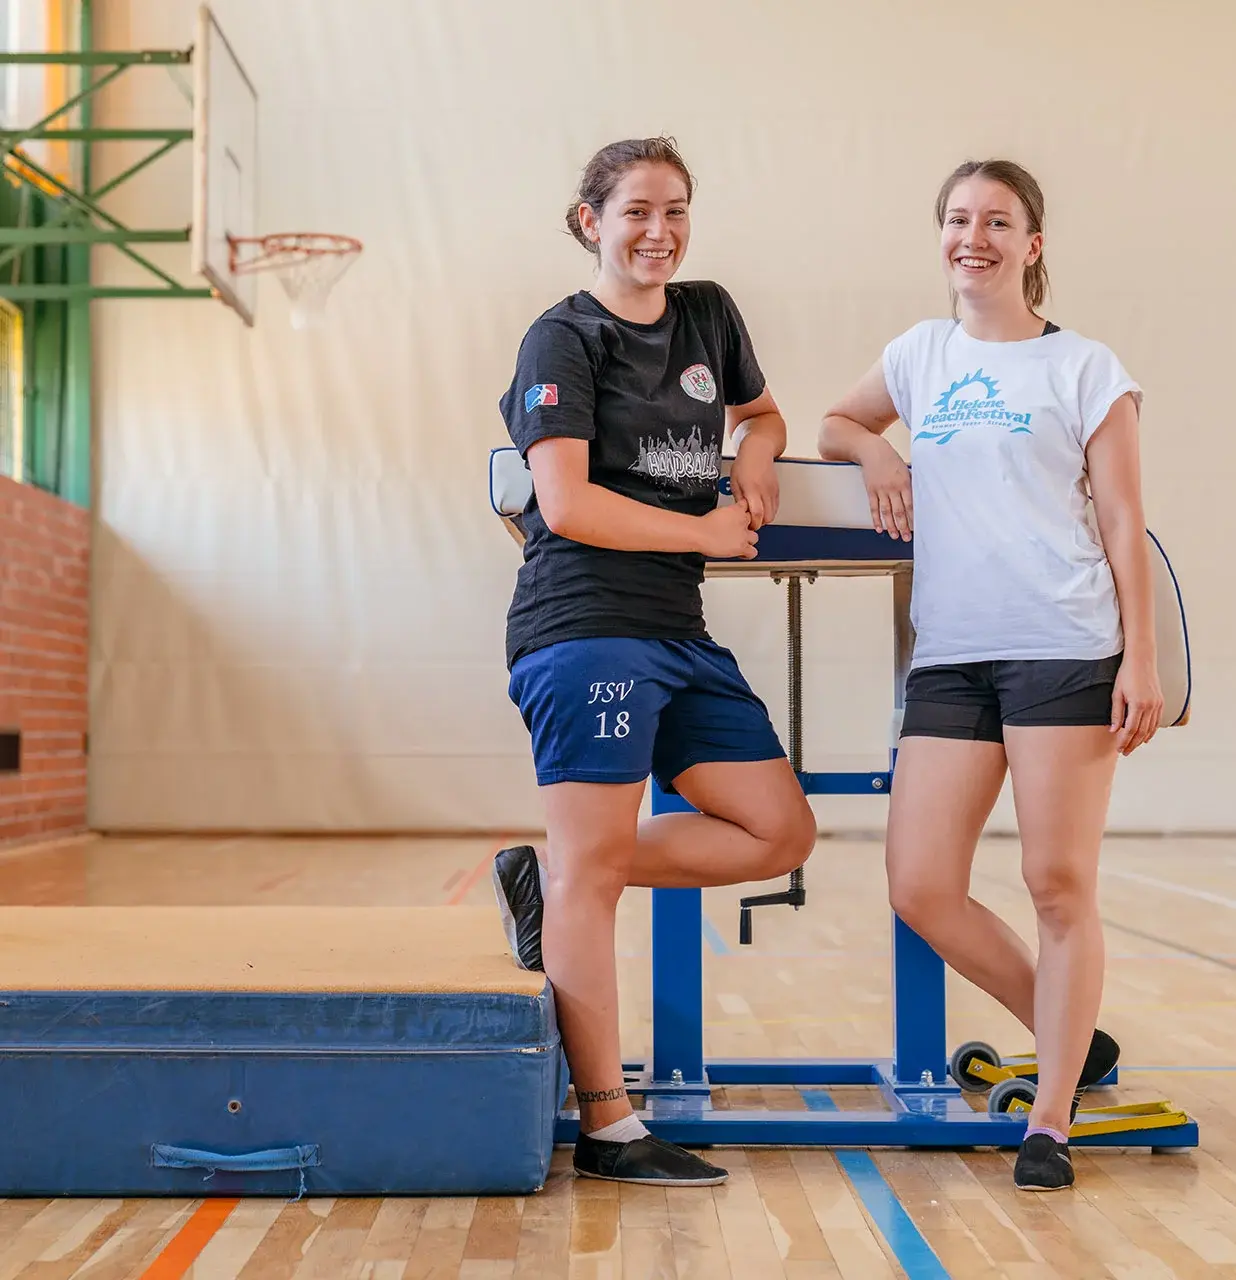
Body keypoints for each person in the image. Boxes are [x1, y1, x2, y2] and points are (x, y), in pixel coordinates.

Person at [817, 158, 1162, 1192]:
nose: (974, 237)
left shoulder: (1085, 368)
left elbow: (1121, 520)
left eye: (997, 222)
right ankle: (1070, 1036)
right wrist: (877, 454)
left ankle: (1050, 1118)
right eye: (958, 219)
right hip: (951, 656)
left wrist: (1140, 656)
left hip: (1065, 644)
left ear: (1031, 244)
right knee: (920, 884)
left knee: (1057, 883)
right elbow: (836, 422)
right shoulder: (918, 354)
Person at [491, 136, 816, 1187]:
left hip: (677, 630)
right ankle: (609, 1125)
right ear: (591, 221)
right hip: (584, 623)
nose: (658, 231)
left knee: (779, 830)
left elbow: (761, 412)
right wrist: (704, 531)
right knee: (593, 876)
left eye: (675, 210)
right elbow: (565, 503)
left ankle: (559, 874)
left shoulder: (708, 314)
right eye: (636, 210)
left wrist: (754, 454)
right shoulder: (562, 338)